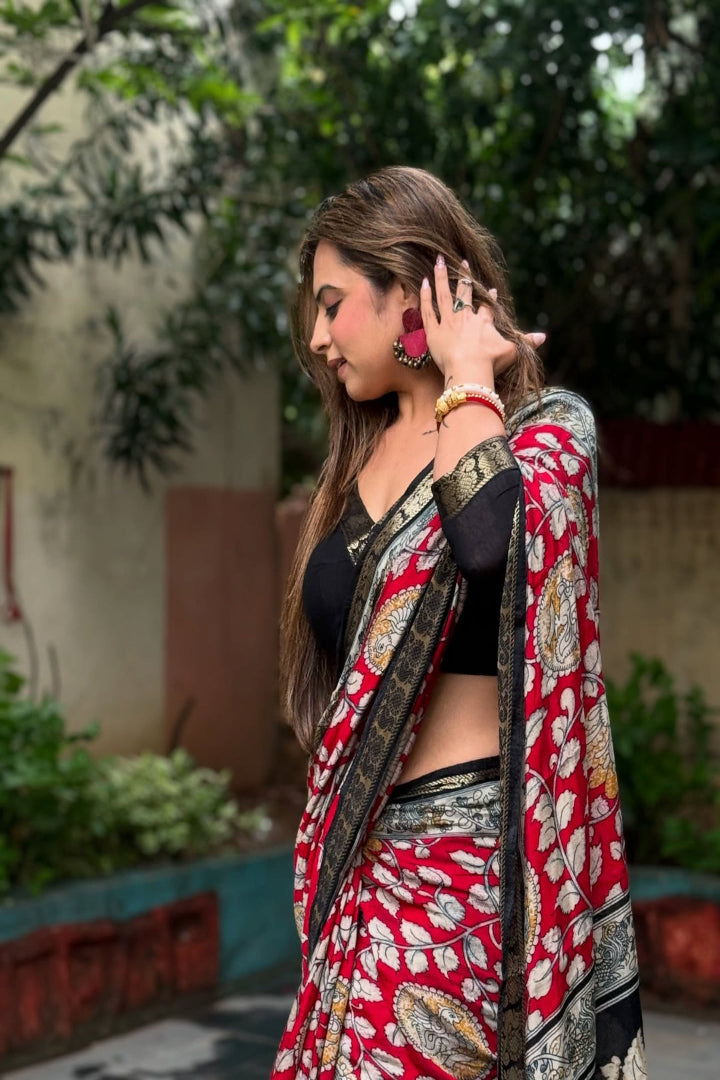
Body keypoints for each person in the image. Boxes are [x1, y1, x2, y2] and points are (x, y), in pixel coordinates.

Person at [273, 166, 646, 1080]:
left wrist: (468, 376)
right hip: (359, 880)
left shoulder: (547, 434)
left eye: (333, 305)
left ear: (413, 288)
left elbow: (488, 544)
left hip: (467, 886)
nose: (317, 337)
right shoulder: (352, 464)